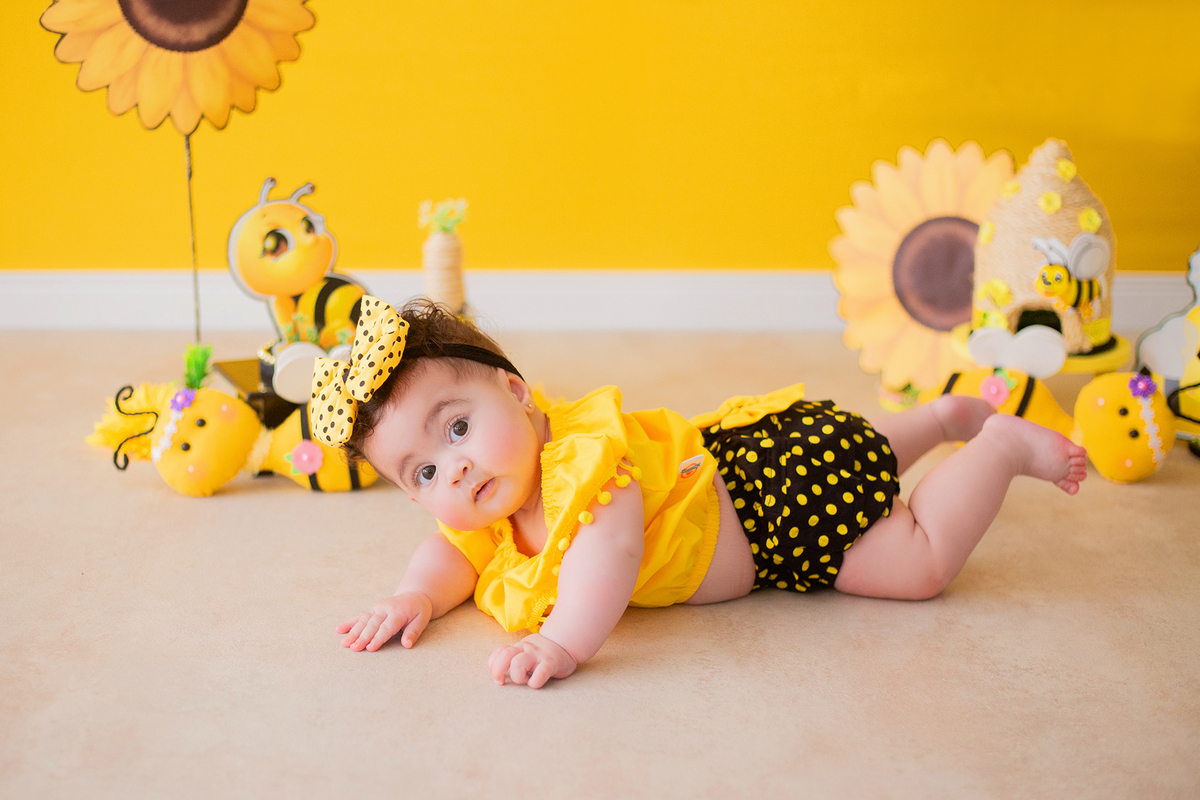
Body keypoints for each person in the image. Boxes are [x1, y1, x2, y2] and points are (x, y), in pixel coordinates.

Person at [317, 296, 1087, 690]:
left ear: (518, 394)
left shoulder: (586, 464)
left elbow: (609, 556)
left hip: (776, 514)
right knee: (862, 451)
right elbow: (447, 554)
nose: (451, 470)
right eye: (421, 473)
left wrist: (563, 642)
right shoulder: (488, 501)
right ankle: (936, 418)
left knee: (915, 562)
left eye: (456, 430)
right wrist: (414, 598)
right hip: (757, 462)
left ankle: (998, 445)